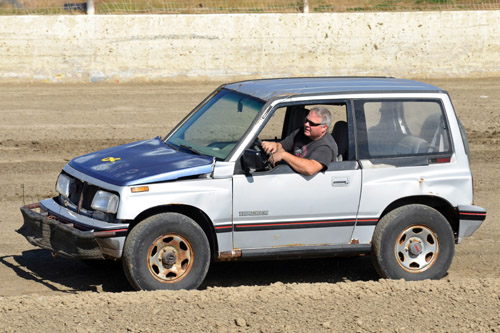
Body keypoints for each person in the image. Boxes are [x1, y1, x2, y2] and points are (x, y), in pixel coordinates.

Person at [262, 106, 338, 176]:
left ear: (324, 128)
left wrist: (284, 155)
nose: (306, 124)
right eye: (306, 120)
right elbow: (282, 146)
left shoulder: (326, 147)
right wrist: (274, 145)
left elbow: (310, 169)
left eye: (312, 123)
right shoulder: (301, 132)